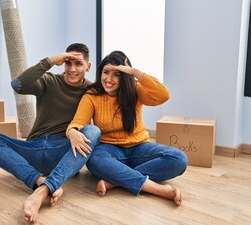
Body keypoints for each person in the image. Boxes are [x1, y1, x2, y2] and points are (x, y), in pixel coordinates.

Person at [0, 43, 101, 222]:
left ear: (88, 66)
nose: (72, 69)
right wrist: (50, 61)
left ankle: (43, 190)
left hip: (63, 151)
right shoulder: (50, 81)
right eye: (68, 63)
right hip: (32, 149)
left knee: (93, 131)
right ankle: (39, 180)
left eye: (78, 64)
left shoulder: (92, 91)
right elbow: (18, 84)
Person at [66, 50, 188, 206]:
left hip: (140, 148)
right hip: (110, 150)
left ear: (124, 76)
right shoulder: (92, 95)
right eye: (106, 72)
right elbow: (77, 122)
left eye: (116, 74)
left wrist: (136, 73)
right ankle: (157, 189)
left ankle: (116, 181)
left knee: (179, 159)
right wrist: (72, 132)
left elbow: (163, 95)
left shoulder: (135, 90)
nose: (109, 79)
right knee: (94, 160)